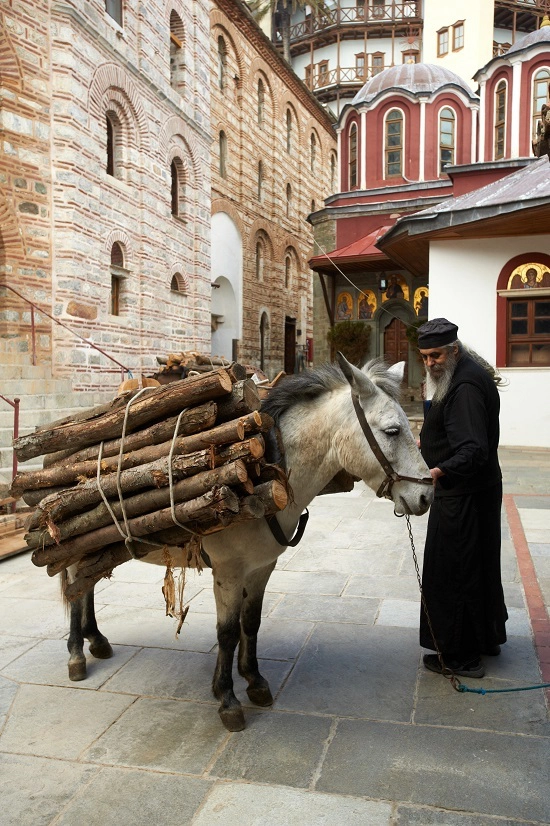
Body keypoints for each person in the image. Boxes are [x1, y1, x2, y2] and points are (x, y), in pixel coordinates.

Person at [417, 317, 508, 678]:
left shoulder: (466, 385)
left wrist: (438, 471)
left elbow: (472, 449)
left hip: (462, 496)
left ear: (453, 350)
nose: (430, 363)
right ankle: (485, 639)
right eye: (424, 357)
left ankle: (459, 657)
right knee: (478, 568)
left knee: (453, 574)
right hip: (476, 492)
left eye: (436, 355)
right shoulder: (463, 371)